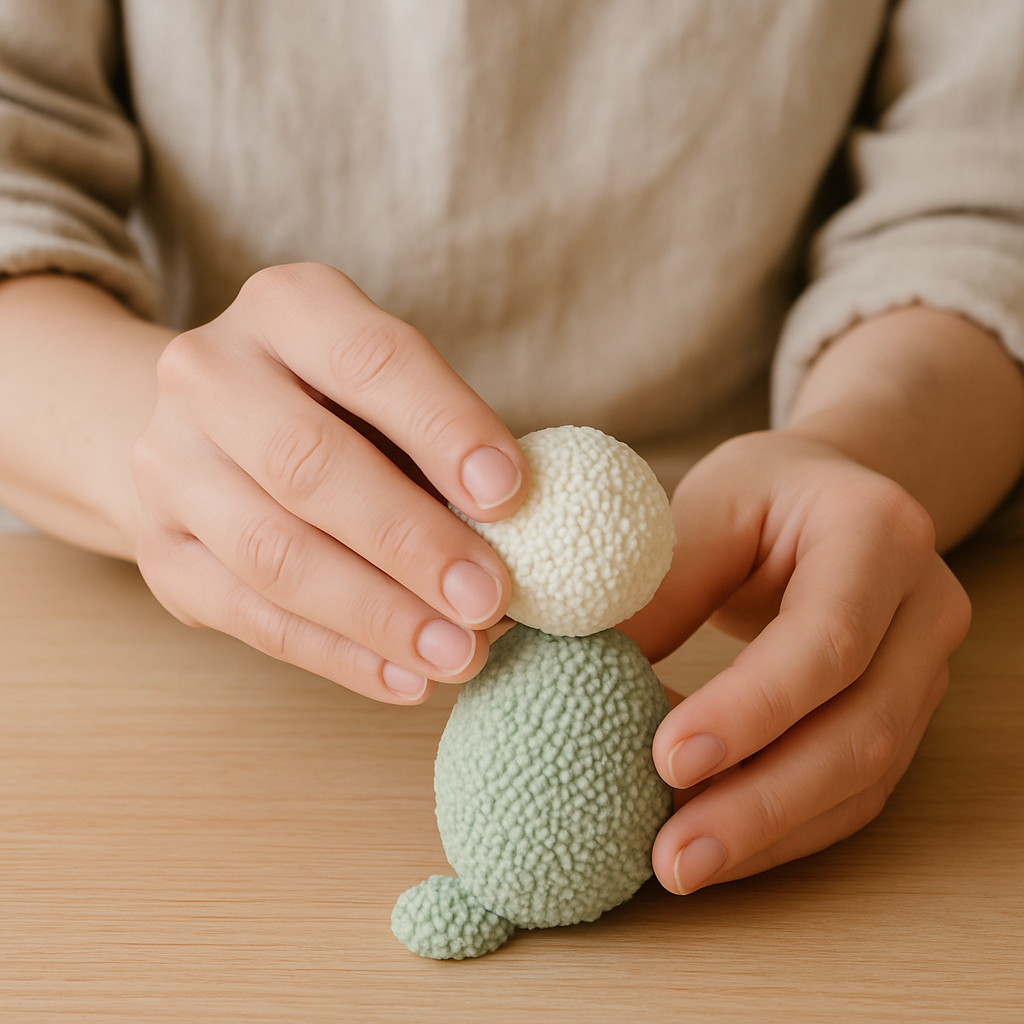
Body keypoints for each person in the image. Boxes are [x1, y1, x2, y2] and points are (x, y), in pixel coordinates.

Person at [1, 0, 1023, 900]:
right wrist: (148, 435)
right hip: (155, 628)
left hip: (745, 604)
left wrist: (858, 450)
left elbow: (977, 203)